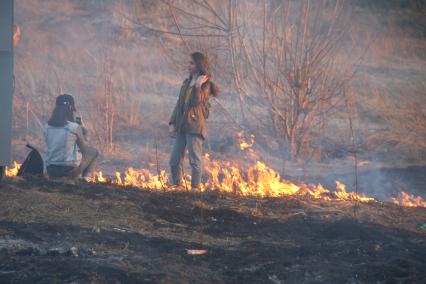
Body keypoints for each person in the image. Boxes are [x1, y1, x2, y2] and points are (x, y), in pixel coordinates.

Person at [169, 52, 219, 189]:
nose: (188, 65)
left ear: (199, 65)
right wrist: (172, 123)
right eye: (189, 63)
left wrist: (197, 85)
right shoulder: (186, 83)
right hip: (182, 126)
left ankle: (194, 191)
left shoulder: (205, 86)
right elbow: (179, 104)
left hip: (195, 127)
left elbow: (196, 102)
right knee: (174, 160)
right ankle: (177, 188)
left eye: (191, 63)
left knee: (195, 161)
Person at [45, 94, 98, 179]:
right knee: (93, 152)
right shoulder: (73, 127)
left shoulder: (47, 126)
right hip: (67, 170)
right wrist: (85, 133)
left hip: (51, 170)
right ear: (70, 109)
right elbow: (85, 150)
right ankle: (86, 179)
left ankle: (82, 178)